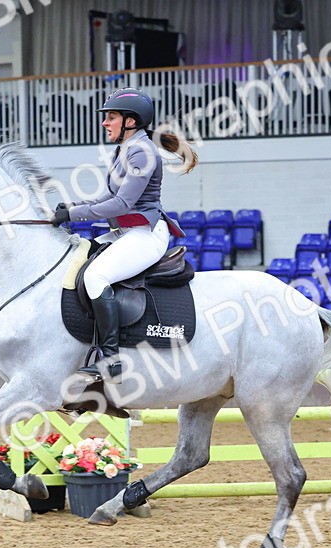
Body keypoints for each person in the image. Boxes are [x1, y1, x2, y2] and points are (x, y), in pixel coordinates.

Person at [51, 87, 198, 381]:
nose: (105, 123)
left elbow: (121, 204)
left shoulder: (142, 152)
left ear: (131, 121)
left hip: (145, 234)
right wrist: (72, 207)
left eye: (112, 117)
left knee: (96, 276)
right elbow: (106, 197)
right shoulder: (125, 149)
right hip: (124, 233)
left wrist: (74, 214)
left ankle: (111, 358)